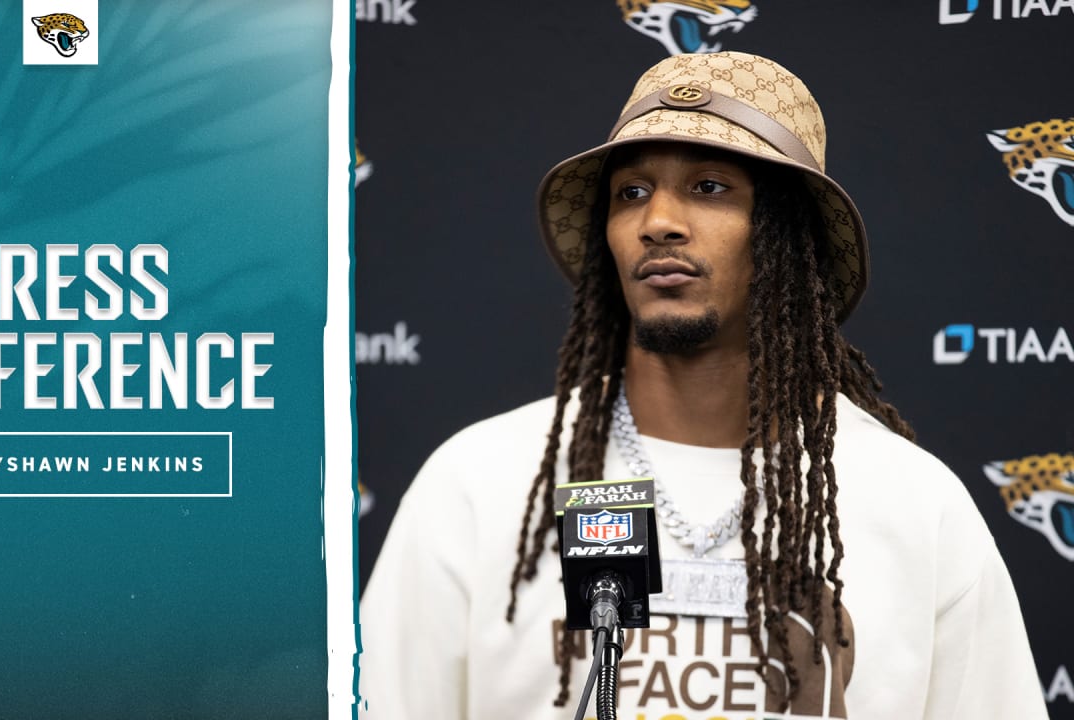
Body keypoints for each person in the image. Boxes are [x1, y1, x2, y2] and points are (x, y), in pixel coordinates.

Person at [358, 51, 1045, 720]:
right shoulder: (478, 482)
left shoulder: (916, 506)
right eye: (631, 193)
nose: (658, 222)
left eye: (709, 187)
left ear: (786, 236)